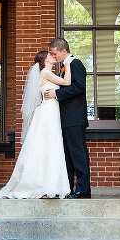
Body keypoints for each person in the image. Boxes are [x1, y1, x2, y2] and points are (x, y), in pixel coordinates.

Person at [0, 51, 71, 199]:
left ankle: (49, 184)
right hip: (48, 112)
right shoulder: (46, 73)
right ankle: (42, 185)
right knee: (48, 145)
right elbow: (67, 82)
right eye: (50, 55)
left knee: (48, 146)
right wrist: (69, 63)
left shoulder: (47, 73)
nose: (53, 56)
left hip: (51, 111)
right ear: (44, 59)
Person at [44, 38, 91, 199]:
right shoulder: (64, 67)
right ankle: (68, 188)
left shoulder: (75, 63)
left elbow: (79, 87)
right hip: (66, 118)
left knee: (78, 153)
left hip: (74, 117)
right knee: (68, 155)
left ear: (63, 51)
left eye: (54, 53)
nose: (53, 56)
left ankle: (83, 190)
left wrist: (56, 93)